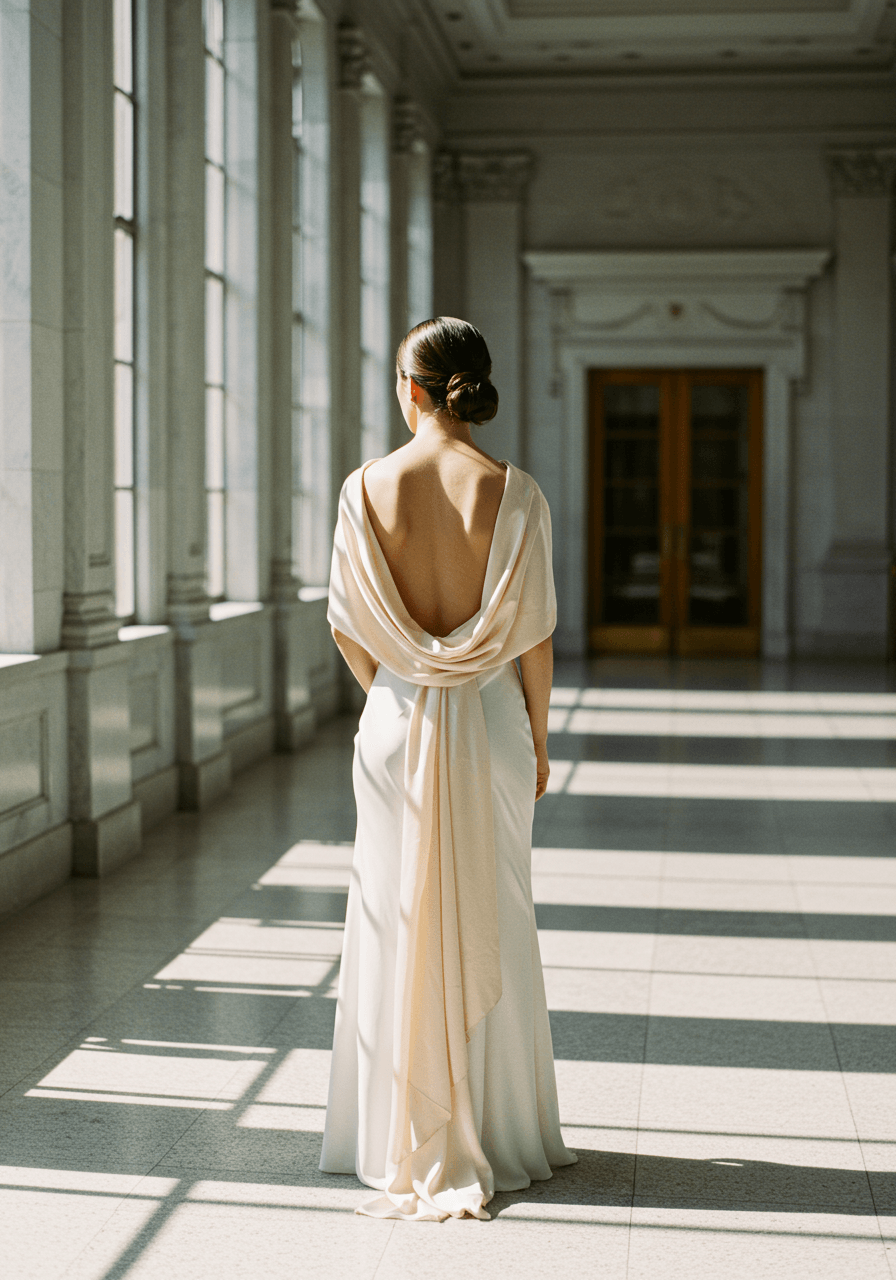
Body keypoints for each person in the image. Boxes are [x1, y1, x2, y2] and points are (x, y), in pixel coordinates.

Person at [321, 317, 576, 1221]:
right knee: (496, 907)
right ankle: (502, 1133)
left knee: (390, 910)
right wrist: (541, 740)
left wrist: (400, 687)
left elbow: (350, 627)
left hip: (394, 721)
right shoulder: (517, 494)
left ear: (414, 388)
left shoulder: (364, 488)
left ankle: (391, 1129)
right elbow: (535, 638)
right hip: (493, 719)